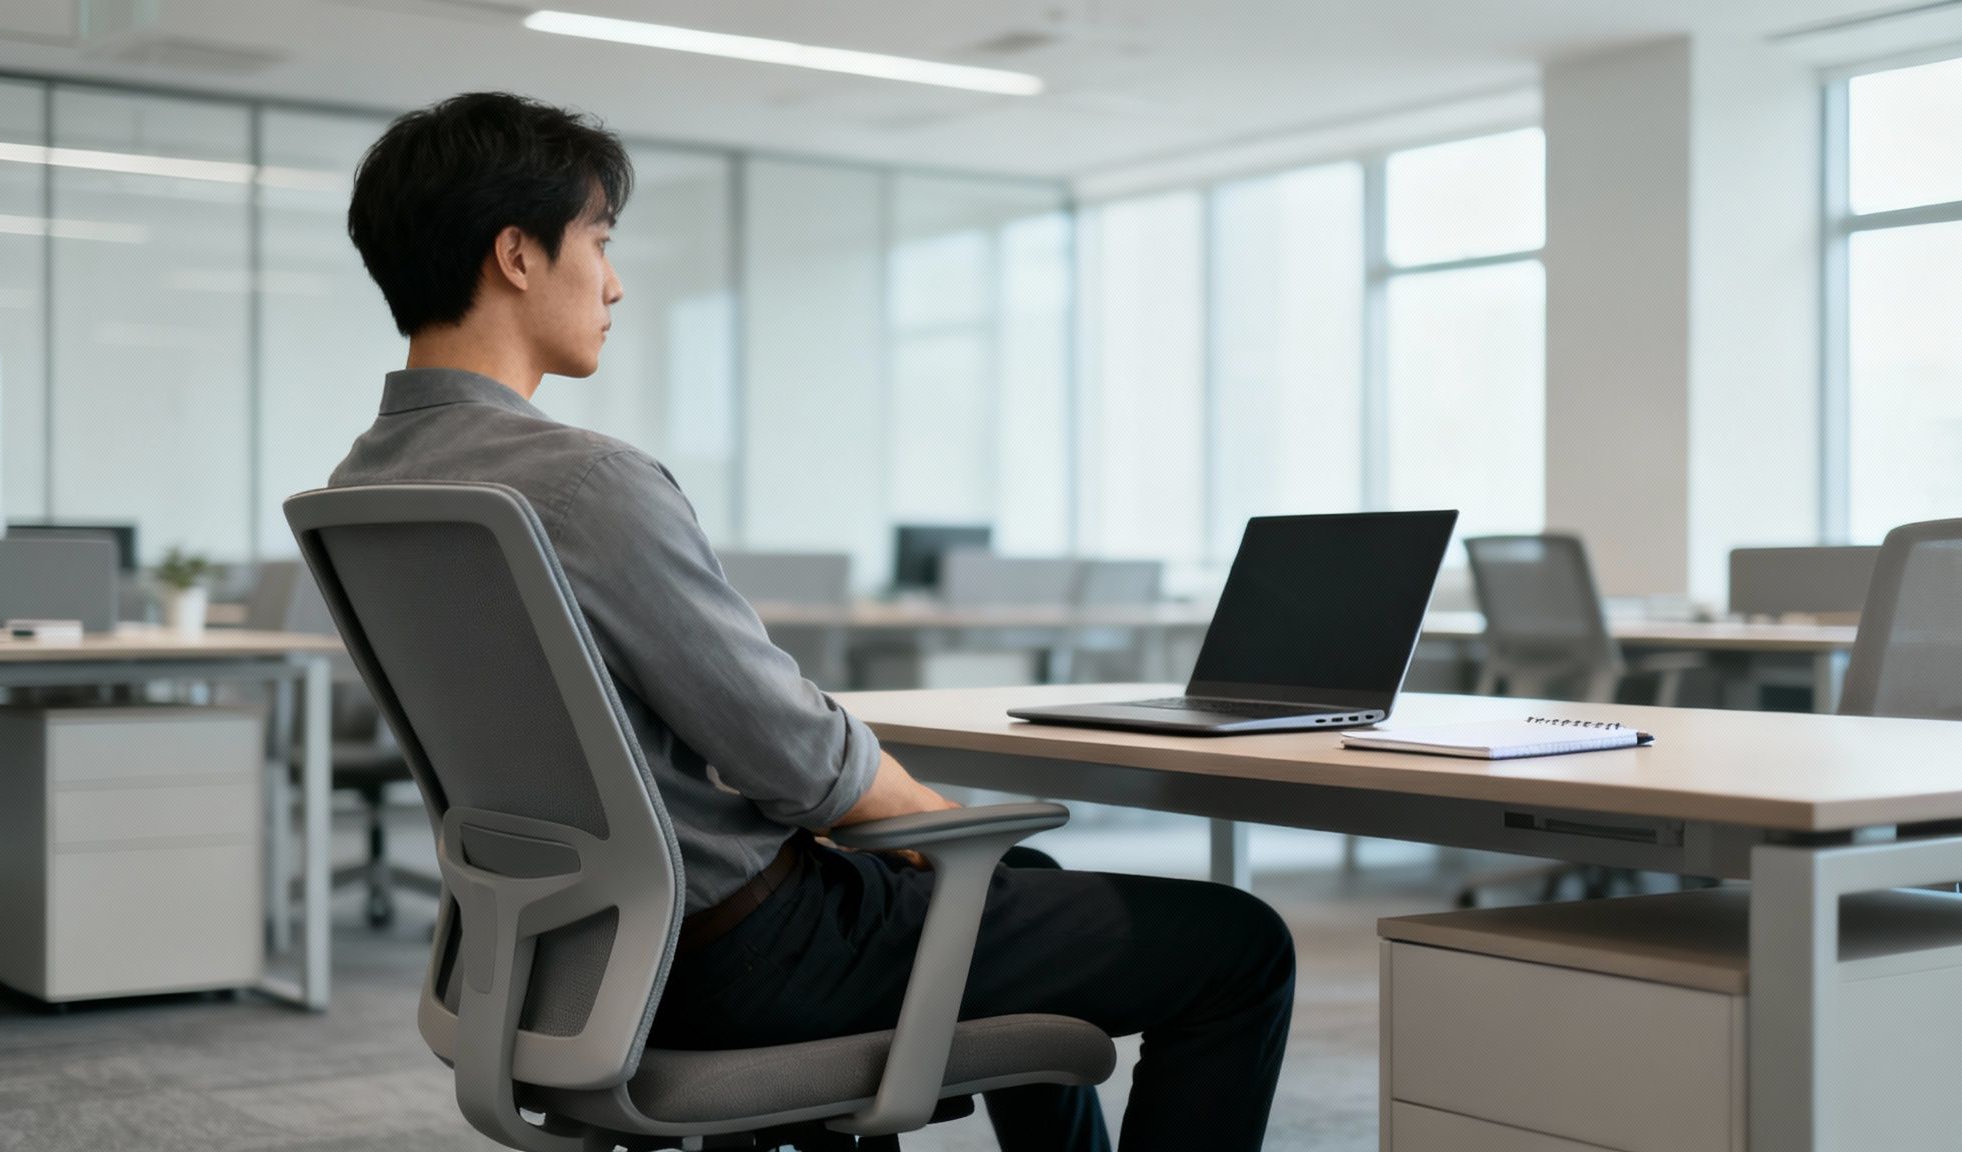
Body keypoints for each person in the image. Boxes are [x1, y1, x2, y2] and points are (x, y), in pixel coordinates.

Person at [332, 91, 1294, 1152]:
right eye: (599, 242)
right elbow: (790, 753)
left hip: (558, 955)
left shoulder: (369, 488)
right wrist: (932, 813)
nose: (613, 282)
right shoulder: (581, 483)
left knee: (1015, 882)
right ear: (516, 254)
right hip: (739, 953)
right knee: (1238, 945)